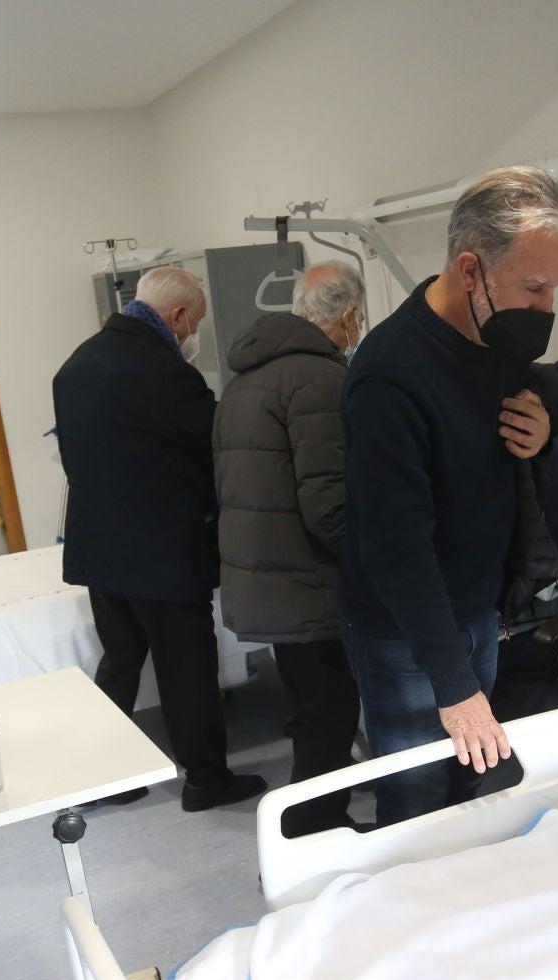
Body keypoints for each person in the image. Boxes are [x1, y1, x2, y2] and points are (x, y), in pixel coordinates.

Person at [339, 166, 558, 824]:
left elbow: (493, 450)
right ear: (471, 271)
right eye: (533, 287)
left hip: (477, 612)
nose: (547, 309)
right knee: (418, 805)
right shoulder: (390, 375)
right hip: (404, 631)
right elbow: (396, 550)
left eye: (555, 287)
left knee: (471, 789)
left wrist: (541, 433)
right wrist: (453, 682)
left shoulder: (496, 345)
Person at [54, 266, 265, 811]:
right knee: (186, 668)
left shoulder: (75, 366)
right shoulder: (164, 373)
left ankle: (106, 778)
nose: (195, 334)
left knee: (120, 660)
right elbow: (214, 447)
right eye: (195, 322)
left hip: (97, 548)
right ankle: (206, 780)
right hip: (161, 552)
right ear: (177, 318)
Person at [214, 262, 366, 835]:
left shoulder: (247, 379)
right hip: (310, 582)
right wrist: (376, 568)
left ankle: (309, 825)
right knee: (330, 712)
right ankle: (314, 835)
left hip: (266, 579)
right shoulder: (320, 381)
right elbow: (329, 503)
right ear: (348, 318)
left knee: (310, 709)